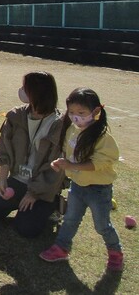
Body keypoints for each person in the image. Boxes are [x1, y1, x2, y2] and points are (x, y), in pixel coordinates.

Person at [40, 88, 123, 271]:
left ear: (96, 112)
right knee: (70, 218)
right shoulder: (71, 130)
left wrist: (71, 166)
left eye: (81, 113)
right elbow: (68, 155)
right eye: (71, 112)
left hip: (98, 190)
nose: (75, 117)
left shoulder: (102, 137)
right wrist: (60, 163)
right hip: (77, 186)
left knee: (102, 226)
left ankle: (115, 253)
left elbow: (98, 164)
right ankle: (61, 248)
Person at [0, 71, 67, 237]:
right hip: (18, 180)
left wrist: (34, 193)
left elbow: (56, 167)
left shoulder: (59, 125)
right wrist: (3, 179)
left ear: (38, 93)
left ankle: (53, 204)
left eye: (25, 88)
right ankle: (20, 203)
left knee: (26, 229)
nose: (21, 91)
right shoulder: (16, 116)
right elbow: (4, 150)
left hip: (42, 186)